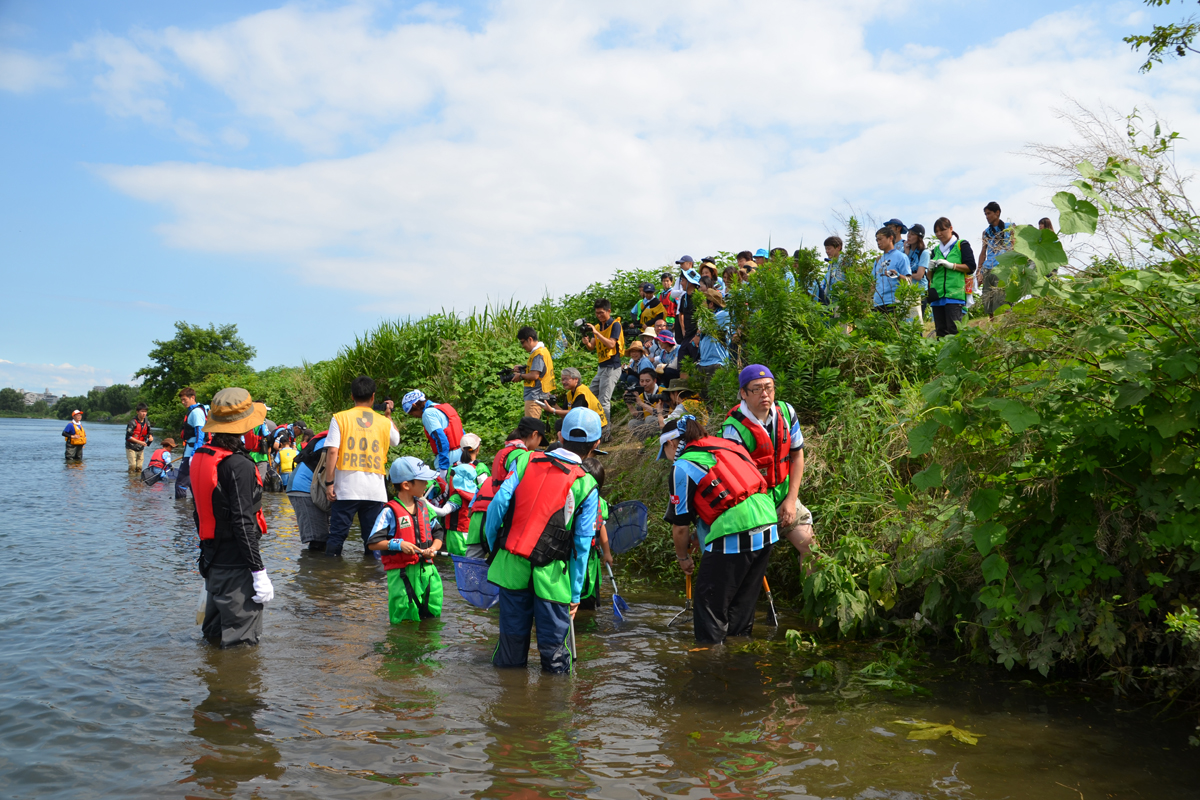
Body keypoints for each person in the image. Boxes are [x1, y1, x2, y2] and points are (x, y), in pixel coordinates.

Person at [486, 407, 602, 674]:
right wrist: (575, 594)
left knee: (510, 648)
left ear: (560, 436)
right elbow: (582, 546)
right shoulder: (586, 485)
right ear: (596, 444)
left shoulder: (525, 461)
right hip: (552, 578)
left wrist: (494, 547)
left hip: (511, 566)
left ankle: (509, 704)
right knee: (555, 655)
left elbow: (498, 505)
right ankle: (553, 710)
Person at [660, 415, 778, 645]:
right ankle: (739, 656)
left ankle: (709, 664)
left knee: (709, 607)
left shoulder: (682, 466)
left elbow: (680, 527)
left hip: (734, 533)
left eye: (664, 451)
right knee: (741, 606)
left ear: (672, 444)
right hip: (767, 526)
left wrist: (683, 557)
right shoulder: (727, 446)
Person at [192, 388, 274, 648]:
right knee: (242, 649)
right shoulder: (239, 465)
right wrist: (258, 571)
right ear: (245, 428)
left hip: (212, 563)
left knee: (213, 640)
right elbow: (242, 522)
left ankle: (215, 688)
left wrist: (207, 558)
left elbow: (199, 512)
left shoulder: (202, 456)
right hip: (236, 569)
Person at [722, 364, 814, 568]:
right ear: (743, 394)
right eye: (756, 389)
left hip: (782, 496)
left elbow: (797, 456)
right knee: (752, 563)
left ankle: (811, 598)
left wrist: (790, 500)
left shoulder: (787, 412)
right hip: (752, 505)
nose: (764, 394)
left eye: (769, 388)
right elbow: (735, 480)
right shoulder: (733, 429)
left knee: (811, 547)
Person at [324, 375, 401, 557]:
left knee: (336, 536)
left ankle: (329, 579)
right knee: (373, 540)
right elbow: (396, 440)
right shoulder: (383, 422)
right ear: (373, 397)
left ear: (352, 396)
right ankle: (372, 581)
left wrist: (329, 483)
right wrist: (388, 416)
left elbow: (332, 451)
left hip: (346, 489)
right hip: (374, 490)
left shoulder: (340, 418)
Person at [367, 456, 444, 623]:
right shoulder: (389, 511)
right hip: (403, 574)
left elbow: (437, 532)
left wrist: (434, 549)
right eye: (422, 480)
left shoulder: (424, 507)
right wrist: (398, 544)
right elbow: (373, 542)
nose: (427, 484)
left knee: (432, 613)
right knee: (405, 617)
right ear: (406, 485)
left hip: (427, 572)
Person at [466, 417, 546, 559]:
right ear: (534, 435)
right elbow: (502, 498)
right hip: (503, 522)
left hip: (485, 520)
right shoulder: (522, 456)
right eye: (540, 439)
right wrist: (492, 537)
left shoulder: (505, 452)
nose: (539, 444)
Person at [425, 432, 481, 556]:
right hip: (472, 529)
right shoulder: (480, 468)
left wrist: (424, 501)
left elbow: (445, 500)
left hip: (454, 530)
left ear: (460, 449)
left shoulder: (452, 469)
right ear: (478, 448)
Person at [927, 217, 977, 338]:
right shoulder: (936, 250)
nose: (939, 234)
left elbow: (971, 266)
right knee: (941, 332)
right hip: (937, 295)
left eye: (942, 230)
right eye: (936, 231)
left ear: (951, 229)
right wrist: (930, 268)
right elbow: (929, 277)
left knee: (954, 330)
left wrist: (951, 265)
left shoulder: (961, 245)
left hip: (954, 294)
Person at [577, 457, 613, 612]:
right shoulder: (575, 498)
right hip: (579, 553)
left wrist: (607, 553)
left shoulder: (600, 503)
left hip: (591, 558)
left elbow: (602, 527)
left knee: (587, 597)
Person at [402, 390, 464, 478]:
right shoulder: (442, 408)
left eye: (412, 413)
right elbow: (461, 432)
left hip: (449, 460)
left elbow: (441, 440)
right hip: (462, 455)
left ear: (414, 405)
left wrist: (443, 468)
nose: (415, 416)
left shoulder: (428, 414)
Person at [580, 297, 624, 420]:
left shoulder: (615, 325)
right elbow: (591, 347)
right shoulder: (598, 327)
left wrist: (596, 333)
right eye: (597, 313)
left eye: (601, 313)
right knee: (590, 395)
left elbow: (611, 344)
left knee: (603, 401)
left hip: (612, 367)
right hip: (601, 367)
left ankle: (606, 430)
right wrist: (587, 342)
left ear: (608, 311)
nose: (599, 315)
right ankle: (593, 424)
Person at [288, 428, 331, 551]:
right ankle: (312, 568)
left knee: (323, 536)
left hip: (308, 486)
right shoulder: (332, 442)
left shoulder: (329, 438)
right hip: (303, 488)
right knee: (318, 539)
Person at [539, 367, 608, 436]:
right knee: (559, 423)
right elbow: (564, 414)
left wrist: (553, 410)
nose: (563, 382)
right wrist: (553, 403)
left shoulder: (581, 391)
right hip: (585, 421)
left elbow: (575, 412)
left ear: (576, 379)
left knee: (563, 425)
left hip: (595, 424)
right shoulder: (569, 394)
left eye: (566, 379)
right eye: (562, 380)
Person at [511, 326, 555, 420]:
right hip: (539, 393)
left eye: (523, 342)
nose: (522, 346)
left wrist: (521, 376)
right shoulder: (541, 351)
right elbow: (538, 370)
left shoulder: (538, 353)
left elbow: (535, 375)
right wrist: (523, 368)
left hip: (534, 395)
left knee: (531, 426)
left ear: (530, 339)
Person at [979, 201, 1014, 319]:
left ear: (997, 212)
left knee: (1003, 300)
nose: (987, 217)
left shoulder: (1009, 227)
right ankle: (992, 326)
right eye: (985, 214)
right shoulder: (986, 232)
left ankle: (1006, 324)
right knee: (988, 301)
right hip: (988, 268)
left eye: (989, 213)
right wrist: (979, 270)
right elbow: (983, 252)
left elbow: (1015, 246)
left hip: (1003, 267)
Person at [177, 388, 210, 500]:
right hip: (191, 450)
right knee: (192, 482)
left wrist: (195, 452)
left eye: (184, 399)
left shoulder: (196, 412)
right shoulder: (196, 410)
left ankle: (181, 511)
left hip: (192, 452)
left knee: (180, 483)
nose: (183, 402)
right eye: (181, 400)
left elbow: (199, 433)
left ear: (192, 398)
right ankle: (194, 510)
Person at [872, 226, 912, 313]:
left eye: (880, 239)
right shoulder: (878, 260)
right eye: (877, 240)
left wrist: (897, 275)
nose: (878, 242)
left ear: (890, 238)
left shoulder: (901, 257)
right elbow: (873, 283)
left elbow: (909, 281)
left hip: (893, 303)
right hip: (877, 303)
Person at [905, 223, 930, 322]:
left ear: (919, 237)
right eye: (908, 233)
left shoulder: (924, 253)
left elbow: (919, 275)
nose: (909, 236)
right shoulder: (905, 251)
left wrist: (904, 276)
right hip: (907, 292)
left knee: (916, 323)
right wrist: (906, 254)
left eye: (912, 234)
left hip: (920, 292)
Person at [811, 236, 845, 306]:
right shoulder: (831, 264)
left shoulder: (845, 262)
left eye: (829, 248)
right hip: (831, 302)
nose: (827, 251)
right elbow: (824, 283)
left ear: (838, 247)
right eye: (826, 249)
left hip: (842, 301)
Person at [626, 367, 661, 433]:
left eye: (647, 381)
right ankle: (646, 442)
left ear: (655, 381)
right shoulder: (641, 396)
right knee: (632, 423)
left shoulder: (662, 392)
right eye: (642, 381)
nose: (644, 384)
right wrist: (629, 403)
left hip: (663, 424)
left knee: (649, 419)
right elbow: (639, 417)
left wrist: (641, 403)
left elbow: (661, 413)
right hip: (648, 424)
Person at [674, 267, 702, 346]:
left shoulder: (699, 298)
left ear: (689, 282)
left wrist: (698, 335)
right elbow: (681, 313)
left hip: (696, 335)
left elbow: (703, 318)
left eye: (683, 281)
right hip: (687, 335)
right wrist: (683, 329)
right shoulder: (684, 297)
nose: (681, 283)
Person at [125, 403, 154, 471]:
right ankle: (131, 480)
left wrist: (150, 437)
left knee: (139, 467)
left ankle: (137, 481)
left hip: (141, 448)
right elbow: (128, 437)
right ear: (137, 412)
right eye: (142, 411)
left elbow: (150, 432)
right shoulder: (132, 423)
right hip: (131, 447)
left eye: (145, 412)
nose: (144, 413)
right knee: (132, 466)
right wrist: (140, 442)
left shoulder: (147, 422)